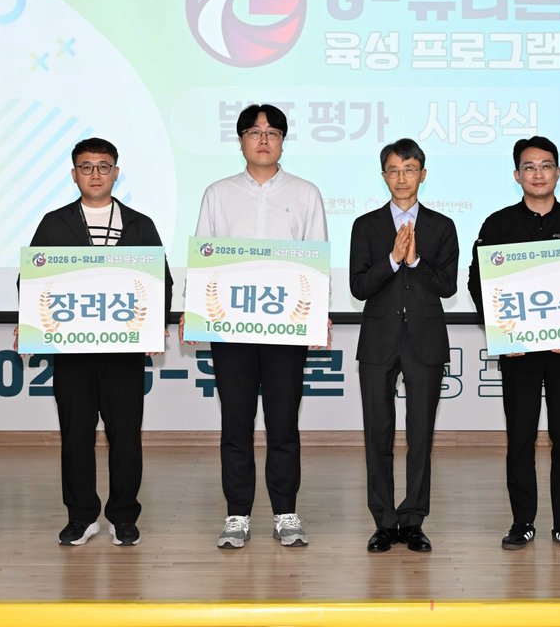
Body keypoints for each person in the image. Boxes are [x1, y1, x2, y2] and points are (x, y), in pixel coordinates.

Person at [188, 103, 327, 549]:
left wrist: (318, 314)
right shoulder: (218, 194)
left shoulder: (306, 193)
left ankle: (285, 512)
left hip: (286, 330)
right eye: (254, 131)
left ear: (283, 140)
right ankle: (237, 514)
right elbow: (205, 257)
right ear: (241, 140)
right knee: (236, 424)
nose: (263, 139)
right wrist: (194, 309)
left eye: (272, 132)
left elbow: (316, 260)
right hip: (232, 330)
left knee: (283, 423)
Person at [26, 137, 173, 547]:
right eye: (86, 167)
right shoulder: (54, 224)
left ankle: (124, 516)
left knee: (125, 436)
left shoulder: (140, 224)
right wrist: (33, 320)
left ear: (116, 173)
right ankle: (81, 516)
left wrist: (154, 326)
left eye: (103, 166)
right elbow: (32, 280)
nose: (95, 174)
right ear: (74, 175)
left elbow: (161, 281)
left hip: (123, 352)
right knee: (76, 436)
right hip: (72, 352)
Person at [467, 136, 560, 553]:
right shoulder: (498, 225)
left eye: (545, 166)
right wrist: (502, 332)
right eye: (529, 166)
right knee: (520, 439)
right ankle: (522, 521)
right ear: (516, 174)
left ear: (558, 172)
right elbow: (478, 282)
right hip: (519, 352)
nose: (537, 174)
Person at [349, 138, 458, 553]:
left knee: (420, 436)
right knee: (377, 433)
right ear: (383, 176)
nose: (401, 178)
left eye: (409, 169)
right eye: (393, 170)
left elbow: (447, 286)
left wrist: (414, 262)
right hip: (378, 341)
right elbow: (359, 287)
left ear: (422, 175)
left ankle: (413, 520)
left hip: (425, 341)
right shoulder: (366, 226)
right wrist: (393, 260)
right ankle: (383, 521)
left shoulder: (442, 226)